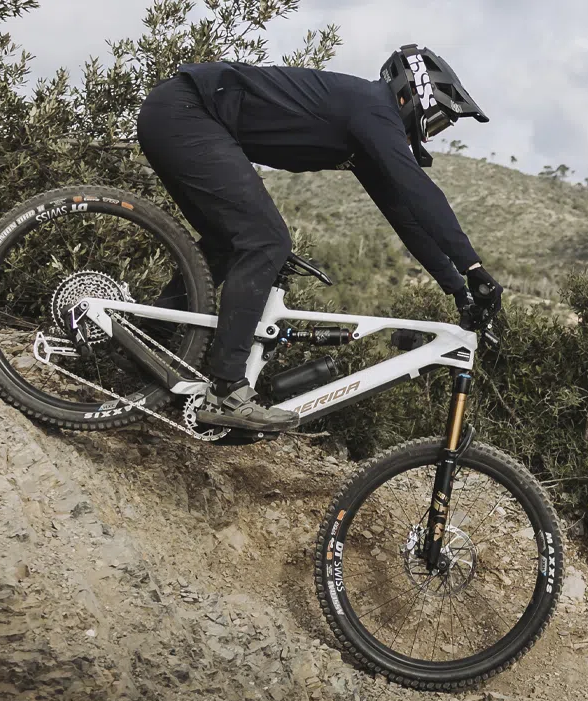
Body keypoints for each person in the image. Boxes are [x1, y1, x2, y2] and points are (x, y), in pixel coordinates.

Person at [134, 44, 502, 431]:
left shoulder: (365, 129)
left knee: (232, 242)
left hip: (175, 113)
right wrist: (474, 267)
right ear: (413, 95)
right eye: (438, 122)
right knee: (266, 241)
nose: (433, 134)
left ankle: (146, 340)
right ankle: (226, 389)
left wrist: (457, 289)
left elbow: (407, 219)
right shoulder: (374, 108)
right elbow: (420, 191)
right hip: (187, 112)